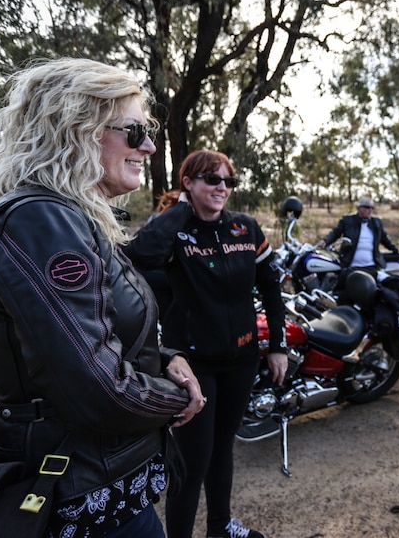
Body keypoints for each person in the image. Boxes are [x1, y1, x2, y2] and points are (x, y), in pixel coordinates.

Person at [0, 58, 205, 538]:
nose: (147, 145)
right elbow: (97, 388)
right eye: (134, 130)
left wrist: (163, 358)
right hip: (78, 492)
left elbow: (79, 332)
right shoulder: (42, 221)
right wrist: (179, 397)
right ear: (77, 128)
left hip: (96, 480)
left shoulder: (66, 217)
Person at [123, 149, 288, 538]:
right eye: (212, 180)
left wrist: (277, 344)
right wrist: (181, 210)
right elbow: (138, 256)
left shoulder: (245, 228)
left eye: (228, 181)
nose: (222, 188)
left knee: (222, 451)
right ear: (189, 183)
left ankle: (219, 528)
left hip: (241, 358)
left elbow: (271, 289)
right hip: (194, 365)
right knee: (192, 461)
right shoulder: (174, 230)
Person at [316, 196, 399, 281]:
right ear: (359, 208)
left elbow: (385, 240)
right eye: (367, 207)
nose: (370, 210)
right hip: (350, 266)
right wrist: (325, 241)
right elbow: (335, 233)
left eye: (372, 208)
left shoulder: (376, 223)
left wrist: (396, 250)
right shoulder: (347, 220)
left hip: (371, 266)